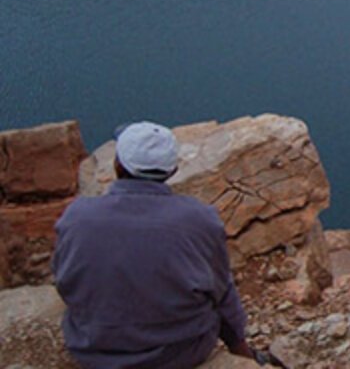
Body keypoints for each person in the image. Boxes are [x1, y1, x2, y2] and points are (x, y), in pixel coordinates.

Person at [53, 122, 267, 369]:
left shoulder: (77, 216)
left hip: (95, 350)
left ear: (117, 164)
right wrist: (239, 349)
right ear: (173, 170)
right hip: (177, 353)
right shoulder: (199, 219)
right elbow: (220, 291)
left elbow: (65, 280)